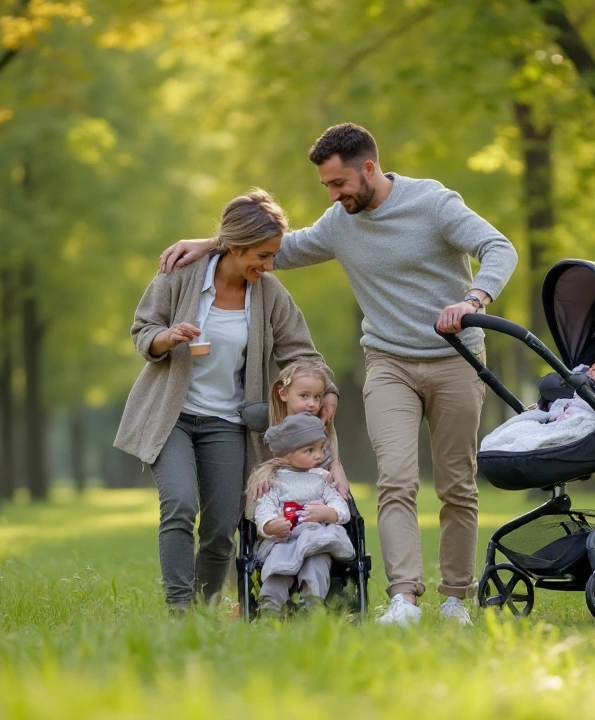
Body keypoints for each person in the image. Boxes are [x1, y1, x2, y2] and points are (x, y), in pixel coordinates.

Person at [161, 123, 518, 626]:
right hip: (388, 360)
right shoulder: (339, 222)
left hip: (455, 357)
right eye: (326, 186)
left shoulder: (433, 204)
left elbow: (499, 248)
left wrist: (473, 299)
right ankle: (404, 599)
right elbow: (275, 250)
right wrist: (209, 243)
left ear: (368, 168)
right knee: (396, 480)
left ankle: (457, 596)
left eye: (339, 183)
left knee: (456, 484)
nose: (333, 195)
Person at [114, 189, 337, 613]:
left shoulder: (269, 294)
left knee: (221, 527)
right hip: (172, 417)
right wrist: (167, 337)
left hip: (228, 422)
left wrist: (326, 390)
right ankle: (179, 610)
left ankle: (204, 607)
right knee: (179, 504)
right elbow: (143, 330)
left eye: (273, 256)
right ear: (235, 247)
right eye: (263, 255)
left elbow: (302, 352)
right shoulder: (179, 274)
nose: (269, 265)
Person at [247, 413, 355, 615]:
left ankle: (311, 603)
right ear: (286, 454)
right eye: (310, 450)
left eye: (321, 449)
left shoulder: (323, 478)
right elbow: (264, 508)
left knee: (317, 562)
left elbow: (341, 508)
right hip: (285, 540)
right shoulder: (274, 480)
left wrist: (328, 513)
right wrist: (271, 525)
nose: (319, 456)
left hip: (316, 538)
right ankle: (271, 605)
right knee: (278, 565)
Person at [480, 356, 595, 453]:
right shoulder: (582, 388)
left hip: (579, 424)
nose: (591, 370)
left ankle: (516, 449)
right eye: (592, 366)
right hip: (558, 421)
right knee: (523, 427)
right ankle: (497, 446)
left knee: (532, 439)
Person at [248, 358, 350, 500]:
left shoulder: (319, 429)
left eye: (317, 397)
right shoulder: (279, 433)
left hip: (318, 495)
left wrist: (338, 474)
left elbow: (329, 460)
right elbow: (277, 463)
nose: (312, 404)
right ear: (283, 394)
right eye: (304, 396)